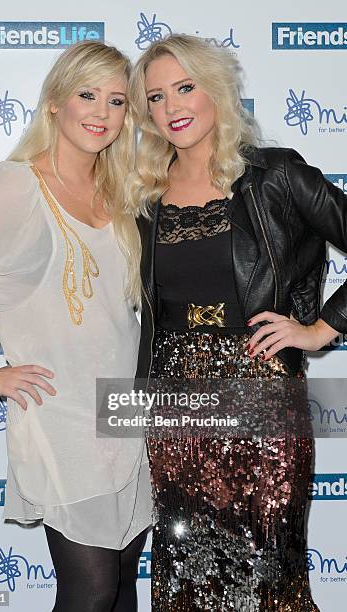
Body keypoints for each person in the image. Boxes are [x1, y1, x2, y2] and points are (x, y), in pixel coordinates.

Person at [129, 33, 347, 611]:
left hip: (261, 390)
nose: (172, 107)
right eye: (155, 97)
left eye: (184, 87)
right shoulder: (143, 195)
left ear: (217, 90)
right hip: (175, 400)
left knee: (269, 571)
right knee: (186, 571)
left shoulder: (276, 176)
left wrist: (320, 328)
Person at [0, 41, 151, 612]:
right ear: (55, 102)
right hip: (62, 416)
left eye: (116, 101)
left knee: (125, 586)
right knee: (91, 588)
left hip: (126, 410)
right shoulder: (16, 185)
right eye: (87, 95)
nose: (101, 113)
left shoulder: (119, 191)